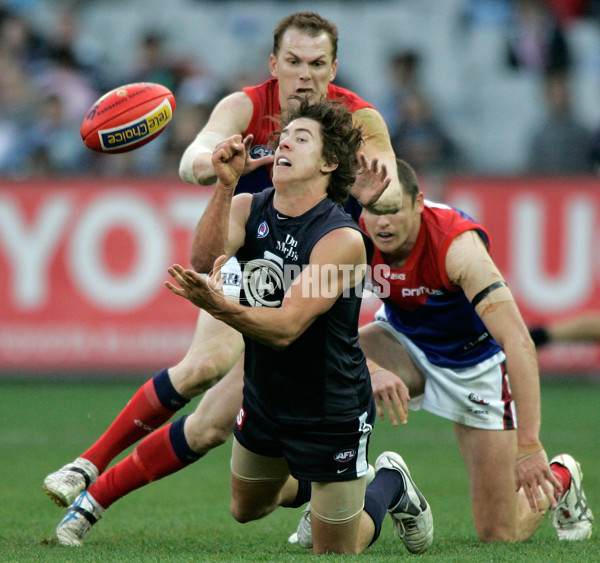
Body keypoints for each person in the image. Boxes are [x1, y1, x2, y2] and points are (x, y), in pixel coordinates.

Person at [44, 12, 403, 546]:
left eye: (318, 64)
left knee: (231, 420)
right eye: (294, 62)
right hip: (261, 276)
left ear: (334, 66)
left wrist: (379, 194)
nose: (305, 75)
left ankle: (356, 485)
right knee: (207, 376)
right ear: (273, 63)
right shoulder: (246, 107)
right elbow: (194, 161)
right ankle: (88, 474)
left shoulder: (356, 119)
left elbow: (391, 188)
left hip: (319, 286)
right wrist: (227, 166)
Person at [164, 97, 432, 554]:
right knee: (246, 508)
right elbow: (204, 260)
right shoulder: (248, 208)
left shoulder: (341, 239)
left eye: (301, 138)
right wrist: (225, 186)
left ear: (329, 162)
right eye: (283, 137)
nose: (284, 142)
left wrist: (221, 306)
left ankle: (387, 483)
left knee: (335, 551)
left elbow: (286, 327)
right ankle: (330, 490)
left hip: (332, 409)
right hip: (266, 395)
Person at [290, 158, 593, 547]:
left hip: (475, 367)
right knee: (320, 364)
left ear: (418, 203)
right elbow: (319, 326)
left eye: (393, 209)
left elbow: (518, 343)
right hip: (404, 341)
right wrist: (373, 367)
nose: (381, 221)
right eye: (372, 210)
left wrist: (530, 446)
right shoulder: (353, 235)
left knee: (500, 534)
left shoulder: (457, 246)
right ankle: (337, 497)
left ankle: (563, 474)